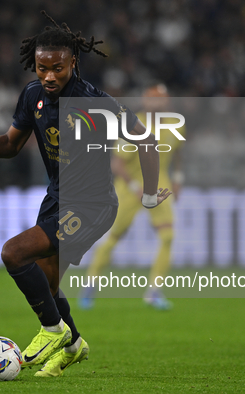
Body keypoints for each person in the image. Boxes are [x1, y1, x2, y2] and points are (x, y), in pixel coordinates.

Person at [0, 11, 171, 377]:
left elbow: (145, 139)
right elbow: (10, 144)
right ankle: (73, 344)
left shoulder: (95, 103)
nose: (49, 76)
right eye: (41, 68)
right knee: (47, 284)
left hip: (94, 205)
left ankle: (53, 331)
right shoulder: (33, 95)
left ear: (73, 63)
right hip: (58, 200)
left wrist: (148, 196)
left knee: (14, 253)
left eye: (58, 68)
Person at [80, 84, 185, 311]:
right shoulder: (133, 125)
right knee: (113, 238)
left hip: (160, 187)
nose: (158, 103)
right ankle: (90, 285)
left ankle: (154, 292)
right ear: (145, 101)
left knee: (167, 236)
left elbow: (177, 153)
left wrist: (177, 178)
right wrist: (138, 188)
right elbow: (117, 163)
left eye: (162, 99)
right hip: (129, 189)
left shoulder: (176, 124)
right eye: (153, 99)